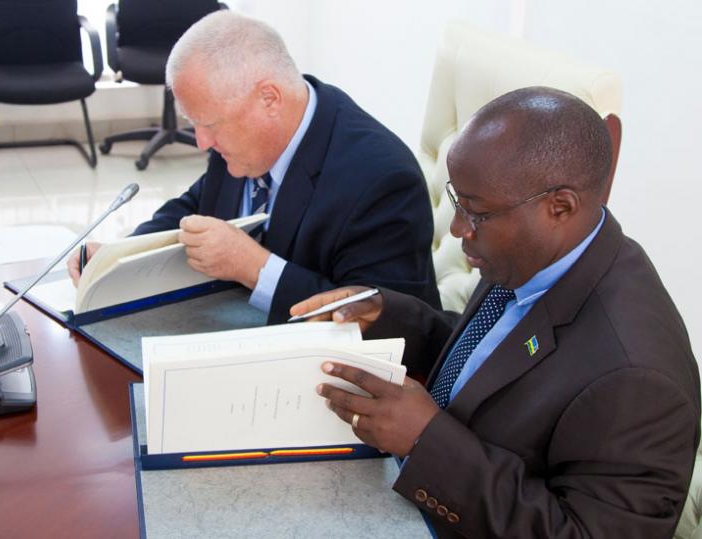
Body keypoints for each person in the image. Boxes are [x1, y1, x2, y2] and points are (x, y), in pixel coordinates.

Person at [291, 87, 700, 538]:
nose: (458, 229)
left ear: (559, 207)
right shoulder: (530, 250)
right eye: (457, 202)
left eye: (476, 212)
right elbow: (492, 361)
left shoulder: (635, 378)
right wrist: (388, 315)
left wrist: (426, 442)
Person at [67, 11, 440, 323]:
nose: (201, 142)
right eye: (193, 124)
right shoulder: (241, 136)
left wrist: (254, 267)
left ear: (269, 99)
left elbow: (378, 323)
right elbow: (192, 208)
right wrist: (120, 259)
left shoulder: (382, 181)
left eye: (209, 125)